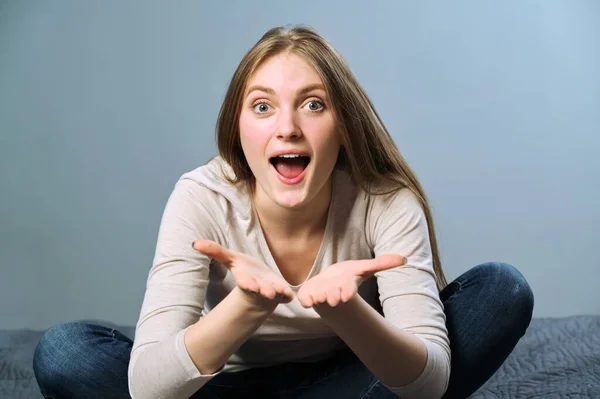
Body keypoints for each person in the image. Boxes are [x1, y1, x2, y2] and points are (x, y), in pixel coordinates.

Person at [33, 25, 534, 399]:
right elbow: (147, 386)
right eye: (263, 106)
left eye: (314, 105)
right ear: (239, 128)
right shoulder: (200, 197)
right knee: (65, 352)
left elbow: (428, 383)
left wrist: (347, 312)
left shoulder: (385, 200)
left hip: (348, 383)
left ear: (344, 125)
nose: (288, 127)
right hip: (223, 389)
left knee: (503, 289)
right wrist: (246, 305)